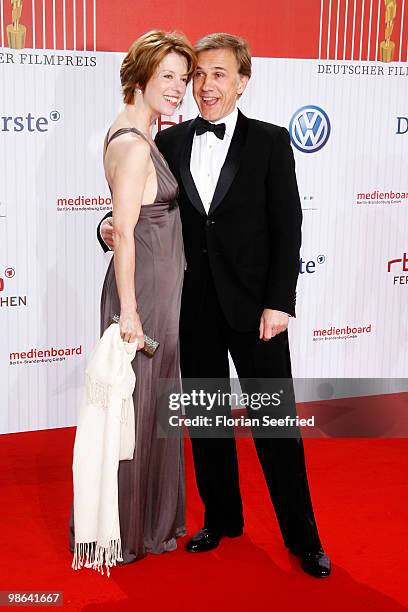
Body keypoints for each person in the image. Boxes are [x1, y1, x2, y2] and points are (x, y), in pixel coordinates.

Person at [98, 32, 331, 577]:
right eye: (198, 74)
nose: (203, 85)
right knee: (205, 423)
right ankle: (222, 519)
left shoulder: (272, 143)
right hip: (191, 307)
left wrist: (280, 302)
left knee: (275, 427)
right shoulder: (171, 143)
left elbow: (288, 229)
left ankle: (304, 538)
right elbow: (137, 210)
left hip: (257, 313)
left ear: (242, 82)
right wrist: (106, 225)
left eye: (218, 74)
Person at [69, 30, 197, 564]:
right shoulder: (130, 143)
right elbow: (123, 230)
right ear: (140, 75)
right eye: (167, 76)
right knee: (135, 412)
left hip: (158, 294)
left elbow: (125, 223)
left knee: (150, 407)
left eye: (183, 79)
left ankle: (147, 522)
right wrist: (131, 313)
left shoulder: (137, 135)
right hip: (141, 298)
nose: (178, 89)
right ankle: (131, 530)